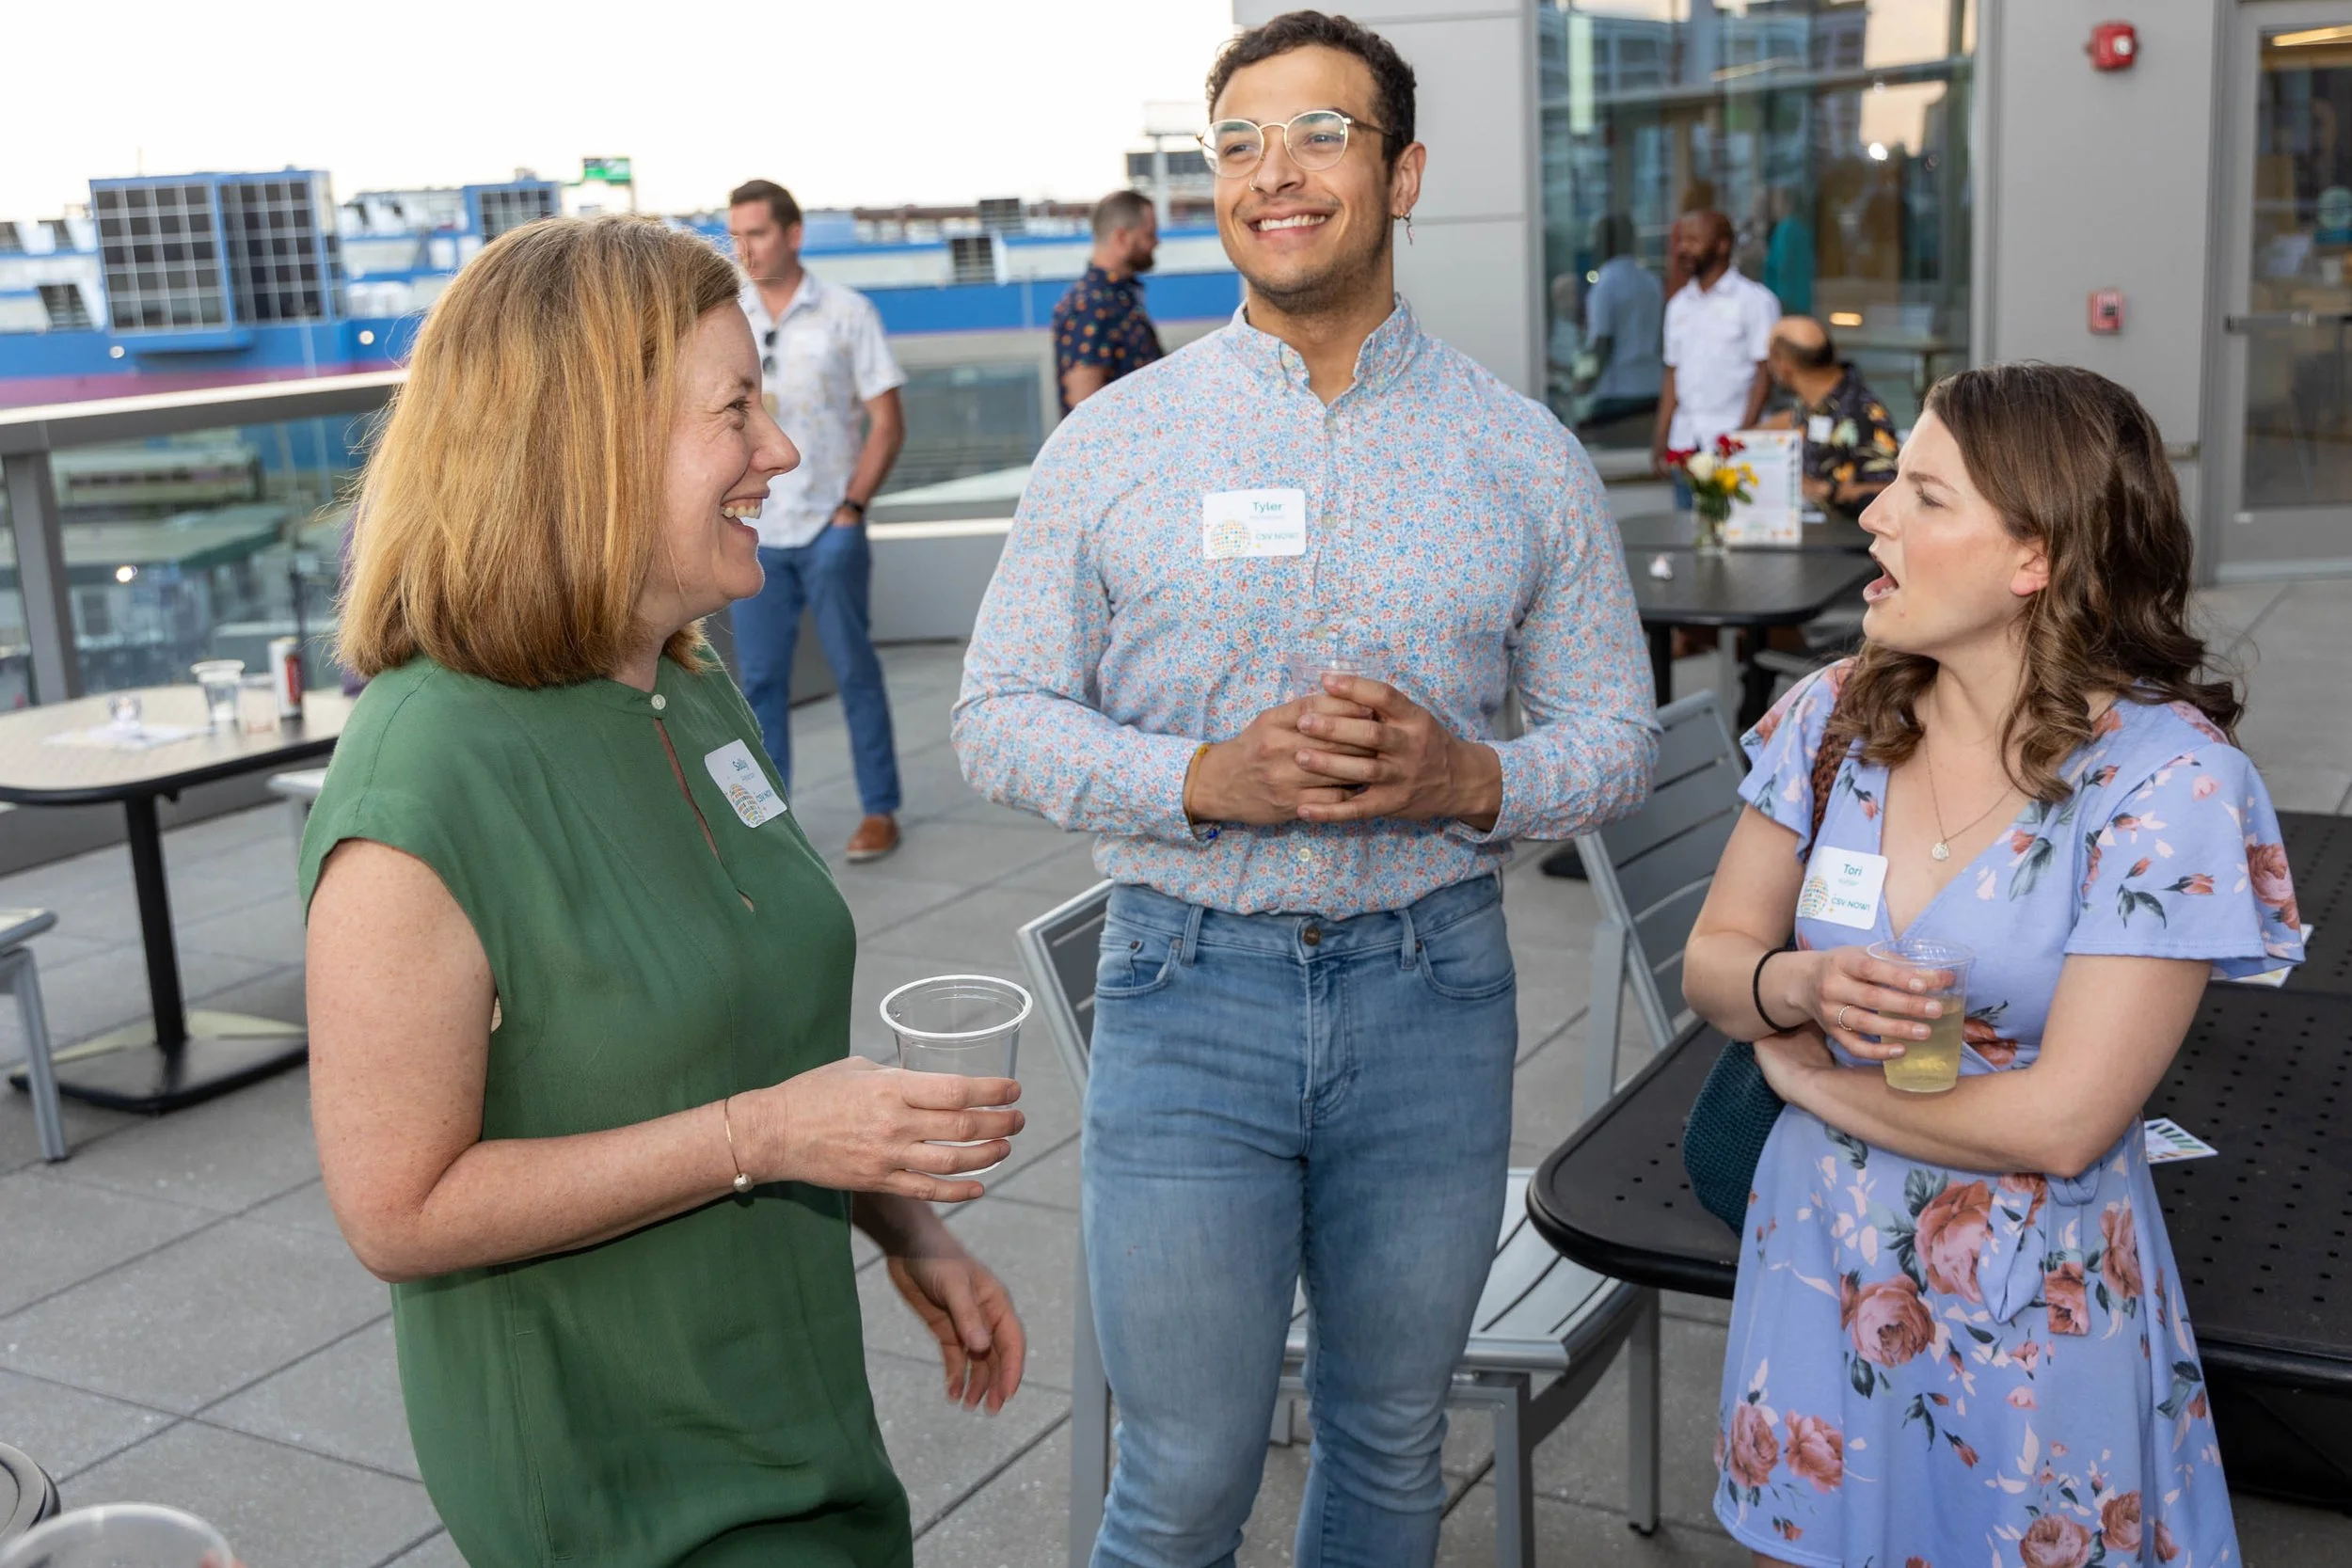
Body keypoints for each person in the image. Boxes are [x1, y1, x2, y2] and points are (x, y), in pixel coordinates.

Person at [954, 12, 1656, 1565]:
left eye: (1320, 133)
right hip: (1187, 996)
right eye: (1238, 143)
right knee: (1186, 1471)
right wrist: (1208, 777)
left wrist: (1470, 774)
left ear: (1402, 172)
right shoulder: (1114, 443)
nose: (1274, 173)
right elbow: (993, 718)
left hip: (1434, 997)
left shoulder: (1520, 452)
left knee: (1392, 1448)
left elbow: (1619, 736)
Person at [303, 215, 1029, 1567]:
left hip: (791, 1427)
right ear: (586, 444)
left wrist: (899, 1214)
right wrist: (768, 1132)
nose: (784, 451)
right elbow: (395, 1208)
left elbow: (741, 1029)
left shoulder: (684, 682)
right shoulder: (425, 779)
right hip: (629, 1496)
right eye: (735, 410)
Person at [1680, 362, 2304, 1568]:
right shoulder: (1832, 717)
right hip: (1814, 1267)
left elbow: (2067, 1120)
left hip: (2032, 1305)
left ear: (2035, 557)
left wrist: (1803, 1079)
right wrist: (1790, 989)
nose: (1873, 515)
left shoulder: (2163, 785)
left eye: (1923, 494)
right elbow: (1714, 956)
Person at [726, 179, 907, 862]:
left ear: (793, 234)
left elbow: (888, 423)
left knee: (855, 669)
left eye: (758, 232)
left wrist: (850, 511)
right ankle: (775, 828)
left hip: (831, 527)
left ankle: (880, 809)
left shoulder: (846, 312)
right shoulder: (727, 317)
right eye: (736, 233)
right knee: (760, 683)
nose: (744, 247)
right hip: (756, 530)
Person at [1652, 210, 1777, 491]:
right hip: (1684, 444)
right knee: (1685, 532)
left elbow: (1765, 375)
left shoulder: (1754, 301)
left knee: (1734, 533)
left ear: (1723, 245)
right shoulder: (1678, 305)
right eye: (1681, 241)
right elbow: (1673, 374)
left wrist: (1742, 439)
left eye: (1694, 240)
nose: (1683, 249)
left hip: (1733, 445)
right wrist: (1660, 440)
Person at [1765, 315, 1899, 515]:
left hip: (1850, 541)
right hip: (1810, 535)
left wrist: (1827, 491)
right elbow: (1792, 421)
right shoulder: (1812, 400)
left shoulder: (1862, 412)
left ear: (1783, 364)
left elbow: (1894, 489)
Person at [1054, 189, 1164, 411]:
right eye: (1149, 234)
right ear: (1122, 237)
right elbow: (1084, 408)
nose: (1156, 243)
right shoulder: (1092, 305)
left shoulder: (1117, 299)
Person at [1575, 211, 1663, 447]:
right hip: (1652, 388)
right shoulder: (1650, 281)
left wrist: (1583, 382)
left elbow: (1602, 342)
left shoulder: (1606, 283)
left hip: (1618, 395)